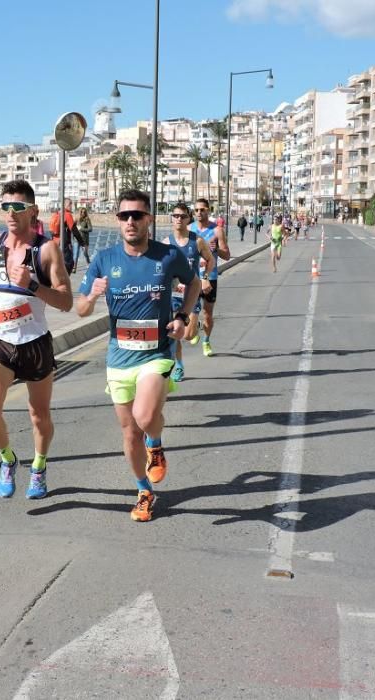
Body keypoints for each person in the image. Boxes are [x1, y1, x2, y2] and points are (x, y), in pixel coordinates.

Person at [77, 189, 200, 522]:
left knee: (145, 418)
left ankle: (156, 444)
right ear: (118, 221)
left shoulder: (168, 255)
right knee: (129, 433)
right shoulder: (104, 260)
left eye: (137, 215)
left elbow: (195, 283)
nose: (130, 221)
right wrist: (92, 297)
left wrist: (183, 317)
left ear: (149, 219)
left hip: (156, 353)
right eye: (124, 216)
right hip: (119, 358)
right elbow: (80, 309)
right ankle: (144, 490)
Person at [0, 180, 72, 500]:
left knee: (38, 415)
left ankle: (39, 467)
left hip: (35, 342)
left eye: (17, 207)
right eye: (5, 207)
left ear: (33, 211)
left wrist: (31, 286)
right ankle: (8, 459)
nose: (11, 214)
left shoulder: (47, 249)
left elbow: (66, 301)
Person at [162, 202, 214, 381]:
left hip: (191, 293)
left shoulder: (197, 240)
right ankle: (179, 365)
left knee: (188, 335)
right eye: (175, 216)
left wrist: (205, 277)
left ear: (188, 218)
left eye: (182, 216)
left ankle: (196, 327)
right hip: (173, 294)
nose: (178, 219)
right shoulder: (166, 243)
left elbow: (210, 260)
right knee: (175, 332)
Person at [189, 198, 230, 357]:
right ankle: (194, 328)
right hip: (192, 278)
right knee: (190, 312)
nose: (199, 212)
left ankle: (206, 340)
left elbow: (227, 255)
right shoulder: (188, 229)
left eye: (203, 209)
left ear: (208, 211)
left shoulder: (217, 231)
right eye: (197, 210)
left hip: (210, 277)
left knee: (207, 314)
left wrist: (217, 249)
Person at [49, 198, 75, 274]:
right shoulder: (67, 215)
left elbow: (53, 230)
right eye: (70, 204)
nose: (71, 206)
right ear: (66, 205)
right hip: (63, 243)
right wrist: (82, 243)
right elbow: (74, 231)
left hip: (55, 242)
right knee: (68, 263)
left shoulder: (56, 214)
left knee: (57, 261)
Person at [74, 206, 93, 271]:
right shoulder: (77, 219)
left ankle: (88, 263)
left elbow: (90, 229)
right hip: (77, 239)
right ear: (80, 212)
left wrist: (82, 229)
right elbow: (73, 228)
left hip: (84, 240)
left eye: (84, 212)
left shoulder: (87, 219)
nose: (83, 213)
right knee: (76, 254)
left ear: (85, 213)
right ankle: (74, 267)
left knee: (85, 253)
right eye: (81, 212)